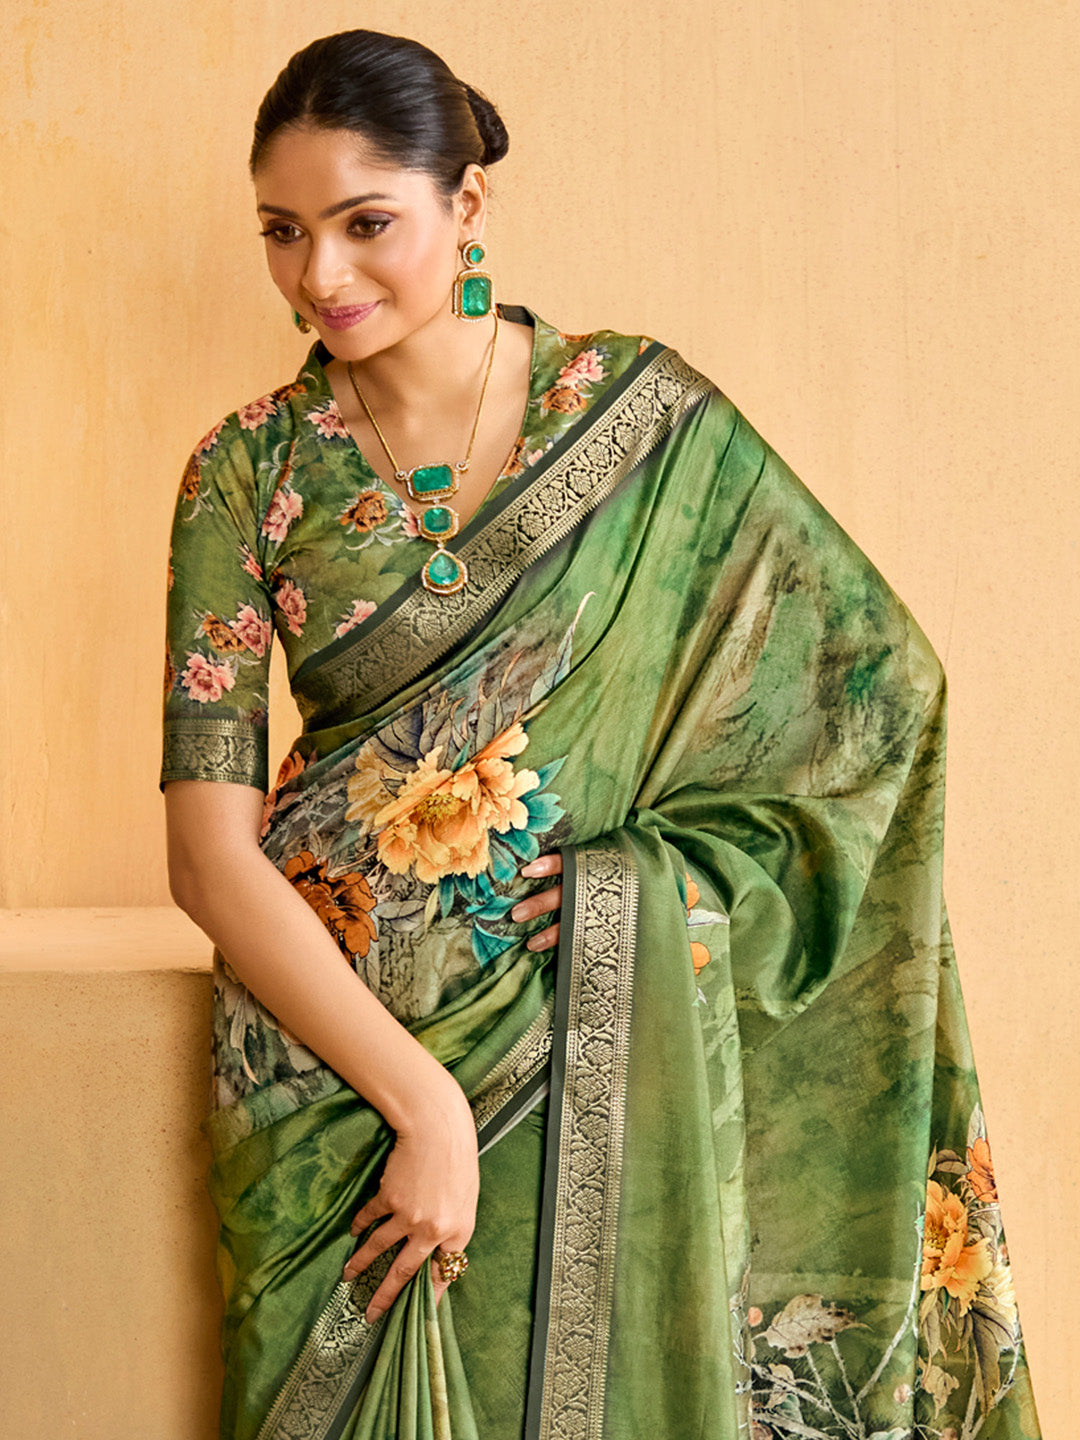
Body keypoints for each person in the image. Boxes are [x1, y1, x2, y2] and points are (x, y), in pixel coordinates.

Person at [161, 28, 1041, 1440]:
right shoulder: (245, 470)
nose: (319, 275)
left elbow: (878, 698)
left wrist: (663, 885)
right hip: (330, 1085)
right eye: (281, 231)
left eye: (364, 223)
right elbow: (209, 856)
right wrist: (424, 1105)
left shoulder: (639, 420)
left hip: (590, 1036)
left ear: (468, 204)